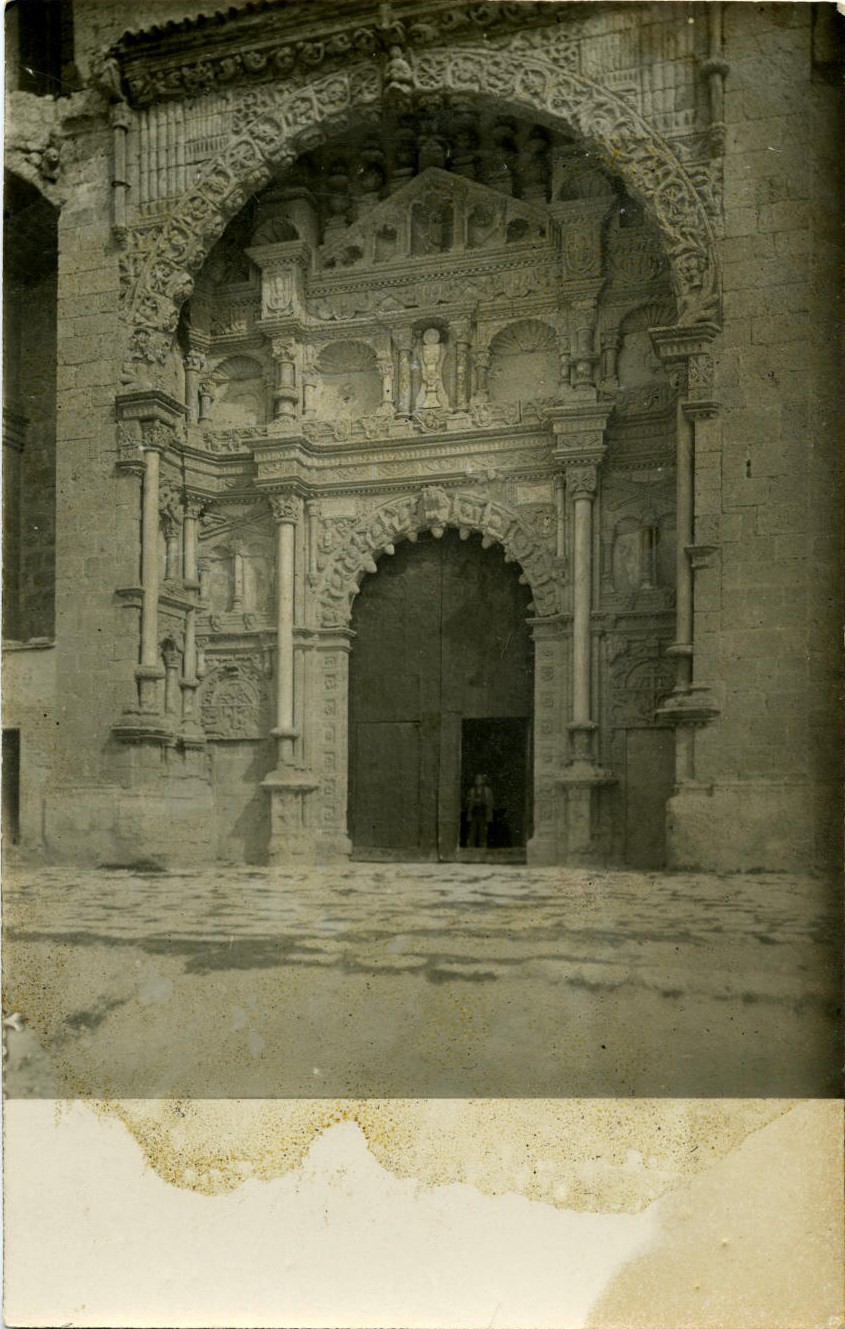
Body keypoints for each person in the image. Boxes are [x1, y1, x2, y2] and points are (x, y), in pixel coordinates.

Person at [465, 773, 494, 849]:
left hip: (483, 814)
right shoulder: (471, 791)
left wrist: (483, 802)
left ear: (483, 781)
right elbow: (466, 803)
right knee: (472, 831)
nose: (478, 781)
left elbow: (491, 802)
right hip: (474, 814)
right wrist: (471, 802)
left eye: (479, 779)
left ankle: (483, 847)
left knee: (483, 832)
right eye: (476, 779)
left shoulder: (488, 791)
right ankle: (471, 847)